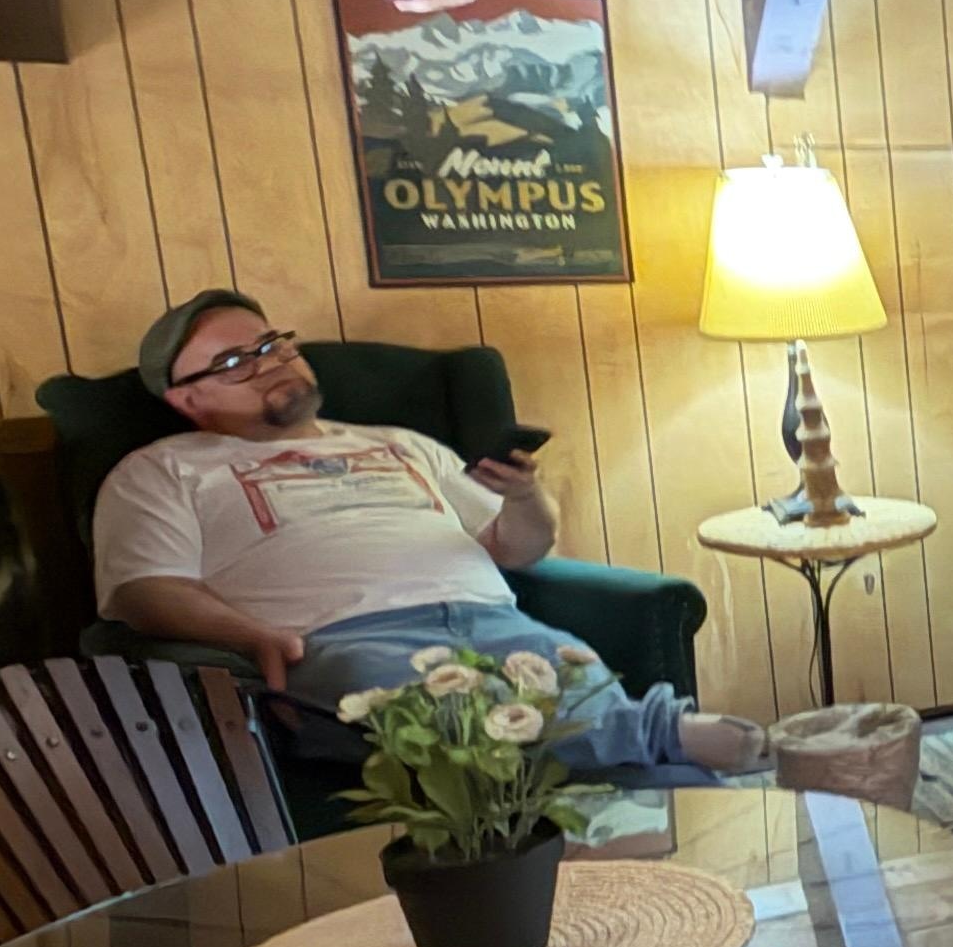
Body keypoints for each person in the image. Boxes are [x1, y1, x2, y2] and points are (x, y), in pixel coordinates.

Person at [92, 290, 762, 783]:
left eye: (272, 344)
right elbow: (145, 591)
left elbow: (518, 548)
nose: (269, 364)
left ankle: (690, 800)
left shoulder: (401, 443)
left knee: (590, 698)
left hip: (493, 620)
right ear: (187, 399)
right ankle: (683, 737)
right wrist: (254, 637)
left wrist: (523, 497)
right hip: (346, 642)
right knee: (453, 715)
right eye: (236, 361)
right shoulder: (161, 470)